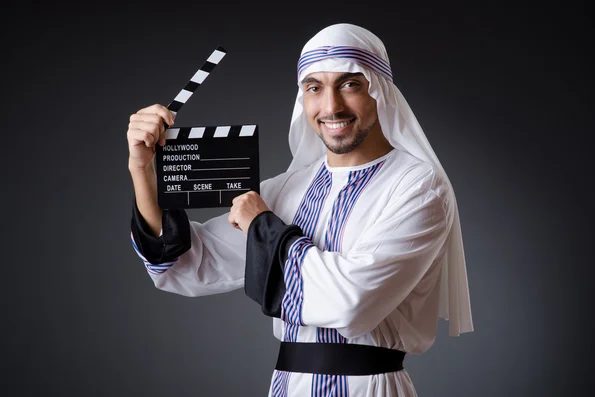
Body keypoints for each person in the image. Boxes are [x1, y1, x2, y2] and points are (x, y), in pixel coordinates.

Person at [127, 23, 474, 397]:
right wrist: (142, 170)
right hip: (288, 387)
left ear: (380, 92)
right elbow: (188, 267)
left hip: (370, 389)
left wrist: (262, 226)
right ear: (302, 99)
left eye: (350, 84)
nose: (331, 106)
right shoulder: (288, 189)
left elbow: (351, 303)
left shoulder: (418, 186)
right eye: (314, 88)